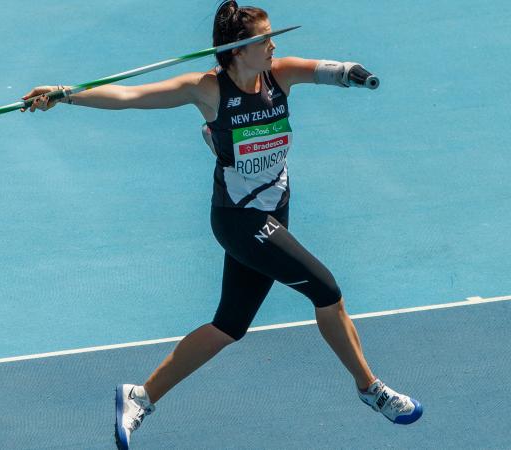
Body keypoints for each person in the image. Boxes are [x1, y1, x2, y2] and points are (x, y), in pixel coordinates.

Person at [22, 2, 423, 448]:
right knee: (326, 290)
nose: (273, 45)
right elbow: (130, 97)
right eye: (264, 39)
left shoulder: (279, 75)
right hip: (239, 219)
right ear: (237, 50)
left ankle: (140, 396)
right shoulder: (208, 90)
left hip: (275, 211)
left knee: (229, 325)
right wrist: (65, 94)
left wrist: (352, 74)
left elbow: (328, 70)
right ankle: (370, 388)